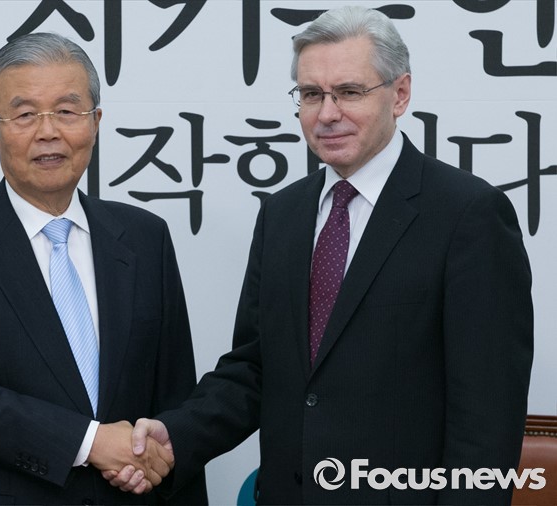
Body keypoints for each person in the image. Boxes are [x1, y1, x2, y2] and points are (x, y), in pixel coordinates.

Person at [107, 6, 533, 505]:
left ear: (400, 94)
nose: (327, 114)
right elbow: (255, 368)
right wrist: (176, 436)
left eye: (349, 92)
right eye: (311, 94)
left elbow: (486, 419)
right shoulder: (282, 214)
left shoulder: (469, 215)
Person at [0, 32, 207, 505]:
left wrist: (158, 459)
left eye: (67, 111)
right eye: (25, 114)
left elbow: (174, 395)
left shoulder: (145, 237)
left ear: (95, 122)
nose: (48, 132)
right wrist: (91, 442)